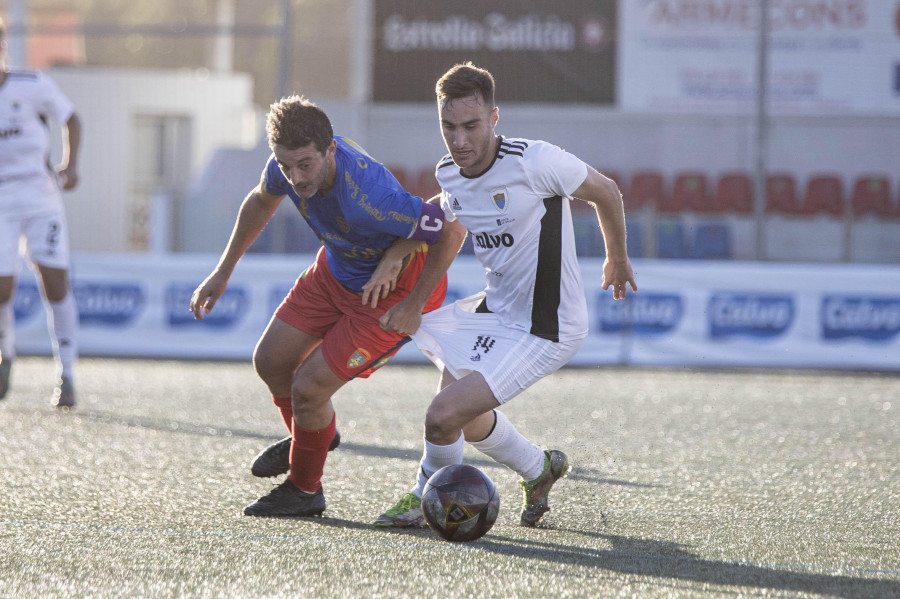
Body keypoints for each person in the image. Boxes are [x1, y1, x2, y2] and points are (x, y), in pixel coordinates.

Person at [373, 62, 637, 528]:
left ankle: (422, 499)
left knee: (442, 414)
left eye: (471, 126)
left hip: (548, 326)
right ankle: (539, 468)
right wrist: (399, 251)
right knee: (466, 419)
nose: (459, 141)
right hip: (495, 311)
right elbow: (446, 212)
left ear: (494, 119)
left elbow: (606, 191)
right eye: (448, 127)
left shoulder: (535, 161)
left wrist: (616, 256)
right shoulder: (450, 173)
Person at [190, 95, 463, 518]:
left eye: (305, 164)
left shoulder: (368, 196)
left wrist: (412, 301)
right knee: (271, 362)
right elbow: (261, 200)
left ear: (330, 148)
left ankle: (304, 489)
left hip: (390, 294)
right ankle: (314, 435)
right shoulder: (286, 164)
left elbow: (448, 228)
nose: (295, 177)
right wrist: (223, 271)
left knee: (309, 388)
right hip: (337, 271)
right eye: (285, 165)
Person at [0, 18, 82, 408]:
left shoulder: (31, 85)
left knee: (55, 283)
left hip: (40, 196)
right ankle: (5, 356)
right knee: (1, 288)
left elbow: (72, 118)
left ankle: (66, 374)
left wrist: (71, 165)